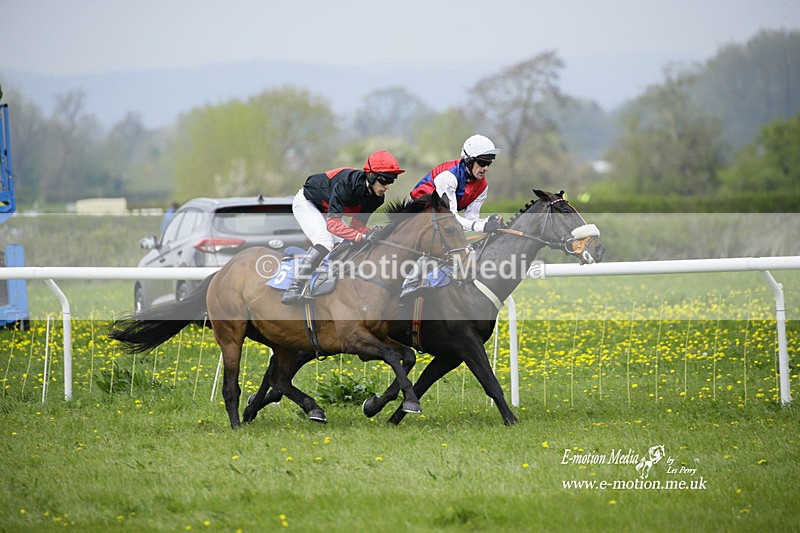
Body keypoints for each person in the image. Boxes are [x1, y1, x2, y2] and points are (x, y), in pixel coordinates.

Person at [281, 150, 406, 304]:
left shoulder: (377, 199)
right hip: (308, 203)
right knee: (325, 241)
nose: (387, 186)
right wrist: (362, 236)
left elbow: (356, 225)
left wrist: (373, 233)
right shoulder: (347, 184)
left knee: (346, 244)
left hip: (328, 210)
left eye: (391, 181)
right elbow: (333, 225)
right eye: (384, 181)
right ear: (371, 176)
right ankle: (294, 287)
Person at [410, 134, 503, 234]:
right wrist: (482, 226)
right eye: (482, 163)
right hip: (415, 216)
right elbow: (450, 219)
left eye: (489, 163)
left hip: (439, 219)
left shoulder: (482, 187)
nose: (486, 168)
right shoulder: (448, 177)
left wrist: (487, 221)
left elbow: (471, 219)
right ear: (469, 160)